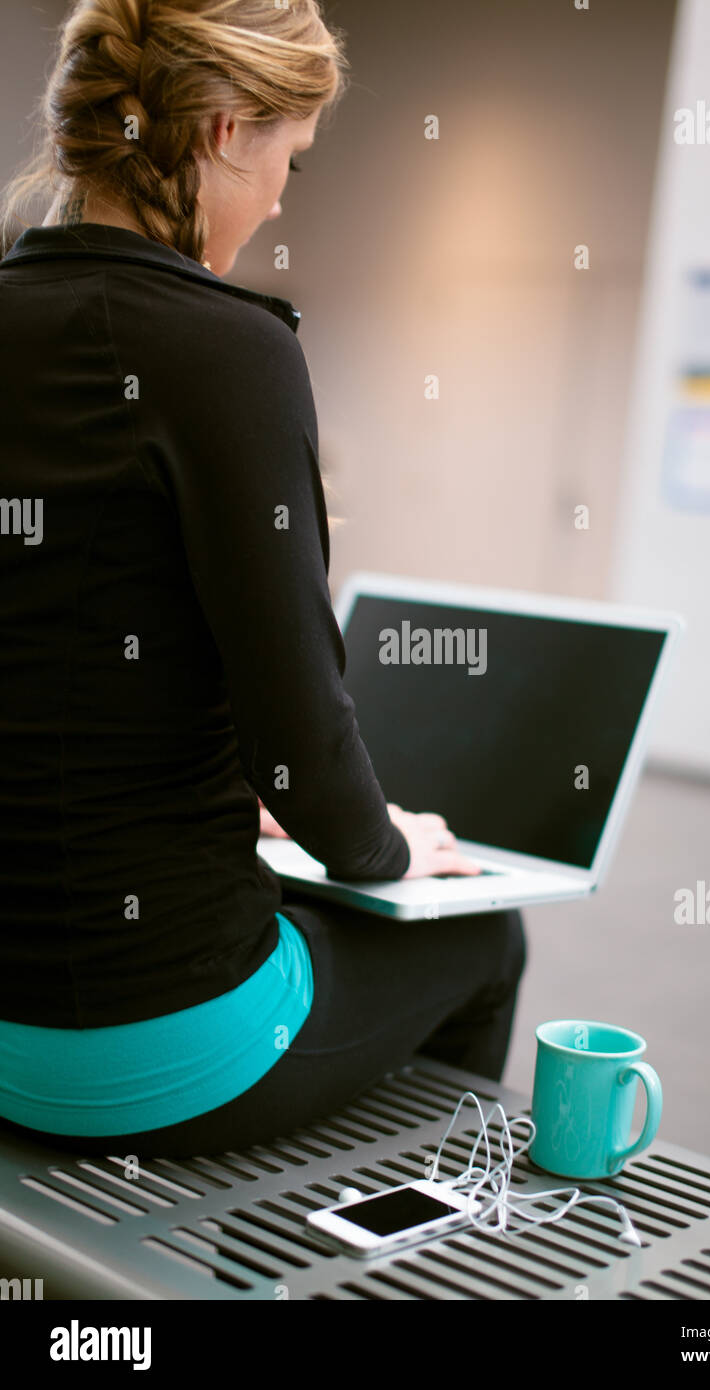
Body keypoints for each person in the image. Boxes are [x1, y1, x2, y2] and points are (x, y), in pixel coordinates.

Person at [0, 0, 526, 1159]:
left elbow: (56, 664)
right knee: (482, 942)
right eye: (289, 157)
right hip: (152, 1041)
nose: (285, 195)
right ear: (223, 130)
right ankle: (366, 1248)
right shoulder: (229, 348)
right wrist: (387, 849)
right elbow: (294, 726)